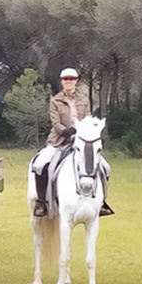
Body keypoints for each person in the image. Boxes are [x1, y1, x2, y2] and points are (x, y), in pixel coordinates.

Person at [31, 67, 112, 217]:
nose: (68, 81)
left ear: (76, 81)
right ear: (62, 82)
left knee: (105, 167)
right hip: (59, 141)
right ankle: (42, 202)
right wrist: (66, 131)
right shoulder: (55, 100)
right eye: (65, 79)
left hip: (81, 141)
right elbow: (55, 123)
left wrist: (83, 133)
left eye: (71, 79)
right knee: (40, 164)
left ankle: (102, 202)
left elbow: (87, 119)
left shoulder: (84, 100)